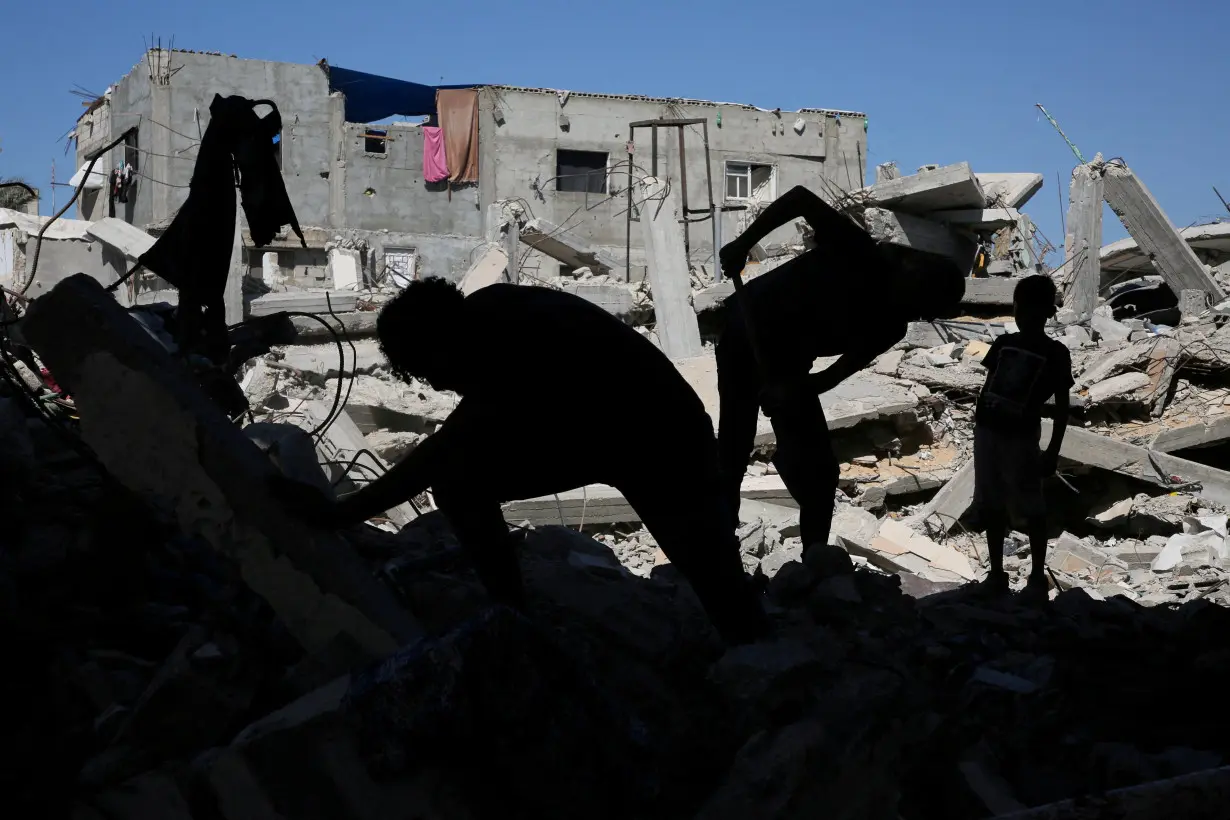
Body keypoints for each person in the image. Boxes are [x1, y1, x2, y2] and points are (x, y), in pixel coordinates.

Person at [273, 277, 769, 645]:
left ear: (441, 342)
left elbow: (442, 451)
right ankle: (514, 615)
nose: (439, 387)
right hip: (608, 436)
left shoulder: (506, 337)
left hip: (663, 443)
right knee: (461, 484)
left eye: (430, 372)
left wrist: (338, 514)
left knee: (712, 576)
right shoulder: (492, 316)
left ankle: (765, 666)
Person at [716, 186, 967, 552]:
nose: (919, 315)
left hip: (789, 365)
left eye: (926, 313)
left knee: (821, 475)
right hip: (749, 328)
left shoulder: (889, 326)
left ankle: (814, 561)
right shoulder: (859, 251)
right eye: (921, 303)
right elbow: (800, 198)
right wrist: (743, 244)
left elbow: (830, 377)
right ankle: (719, 549)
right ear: (912, 280)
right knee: (734, 449)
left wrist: (791, 391)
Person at [972, 275, 1072, 601]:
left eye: (1030, 307)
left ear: (1046, 312)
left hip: (1022, 438)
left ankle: (1035, 580)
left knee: (1031, 506)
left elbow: (1062, 407)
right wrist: (980, 424)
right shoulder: (1003, 344)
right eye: (1019, 306)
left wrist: (1053, 450)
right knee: (992, 503)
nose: (1022, 313)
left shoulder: (1056, 352)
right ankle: (997, 574)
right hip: (989, 434)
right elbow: (989, 385)